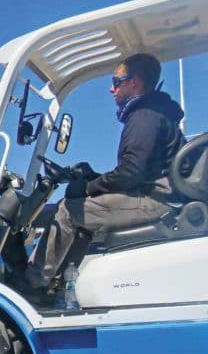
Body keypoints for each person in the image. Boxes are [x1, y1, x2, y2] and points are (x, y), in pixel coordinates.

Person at [27, 53, 185, 290]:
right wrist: (94, 177)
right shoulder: (154, 114)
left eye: (116, 82)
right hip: (160, 196)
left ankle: (34, 283)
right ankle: (59, 284)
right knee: (82, 208)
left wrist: (89, 186)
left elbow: (132, 171)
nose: (112, 90)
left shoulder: (145, 116)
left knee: (68, 211)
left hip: (157, 201)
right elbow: (137, 169)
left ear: (135, 82)